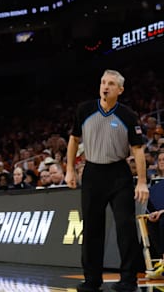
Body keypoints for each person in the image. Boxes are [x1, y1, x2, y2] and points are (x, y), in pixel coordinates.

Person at [66, 69, 149, 292]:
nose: (105, 86)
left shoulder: (128, 115)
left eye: (111, 83)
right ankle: (92, 280)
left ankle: (128, 280)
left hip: (119, 174)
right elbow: (73, 140)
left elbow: (138, 150)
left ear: (119, 90)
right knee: (92, 229)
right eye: (103, 82)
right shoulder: (85, 110)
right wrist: (70, 170)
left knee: (125, 226)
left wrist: (141, 181)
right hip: (92, 173)